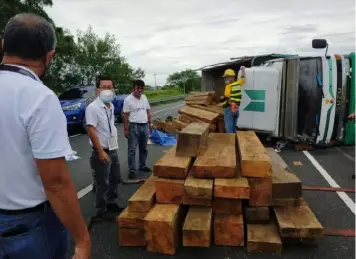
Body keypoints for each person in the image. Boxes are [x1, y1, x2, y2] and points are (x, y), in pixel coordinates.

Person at [0, 13, 90, 259]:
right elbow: (56, 182)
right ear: (49, 56)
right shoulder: (39, 98)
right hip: (27, 225)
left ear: (3, 45)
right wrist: (82, 240)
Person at [85, 75, 122, 219]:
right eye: (104, 87)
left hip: (112, 148)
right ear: (97, 90)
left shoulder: (111, 106)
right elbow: (91, 130)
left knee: (115, 177)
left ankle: (111, 202)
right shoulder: (93, 108)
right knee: (102, 182)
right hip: (101, 150)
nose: (107, 90)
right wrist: (100, 152)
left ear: (114, 89)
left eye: (110, 87)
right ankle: (101, 209)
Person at [123, 80, 153, 179]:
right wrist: (126, 129)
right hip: (133, 127)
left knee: (144, 148)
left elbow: (148, 112)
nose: (139, 90)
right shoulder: (128, 100)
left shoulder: (144, 97)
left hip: (144, 126)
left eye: (141, 88)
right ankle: (132, 169)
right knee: (132, 149)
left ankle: (142, 165)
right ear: (133, 88)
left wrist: (150, 124)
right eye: (137, 88)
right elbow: (126, 116)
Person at [221, 66, 246, 133]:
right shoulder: (238, 83)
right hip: (236, 108)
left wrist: (223, 99)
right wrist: (243, 70)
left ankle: (230, 142)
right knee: (233, 127)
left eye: (226, 77)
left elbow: (226, 95)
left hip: (229, 108)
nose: (225, 79)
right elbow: (242, 78)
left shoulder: (228, 86)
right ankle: (234, 141)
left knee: (228, 127)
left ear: (231, 77)